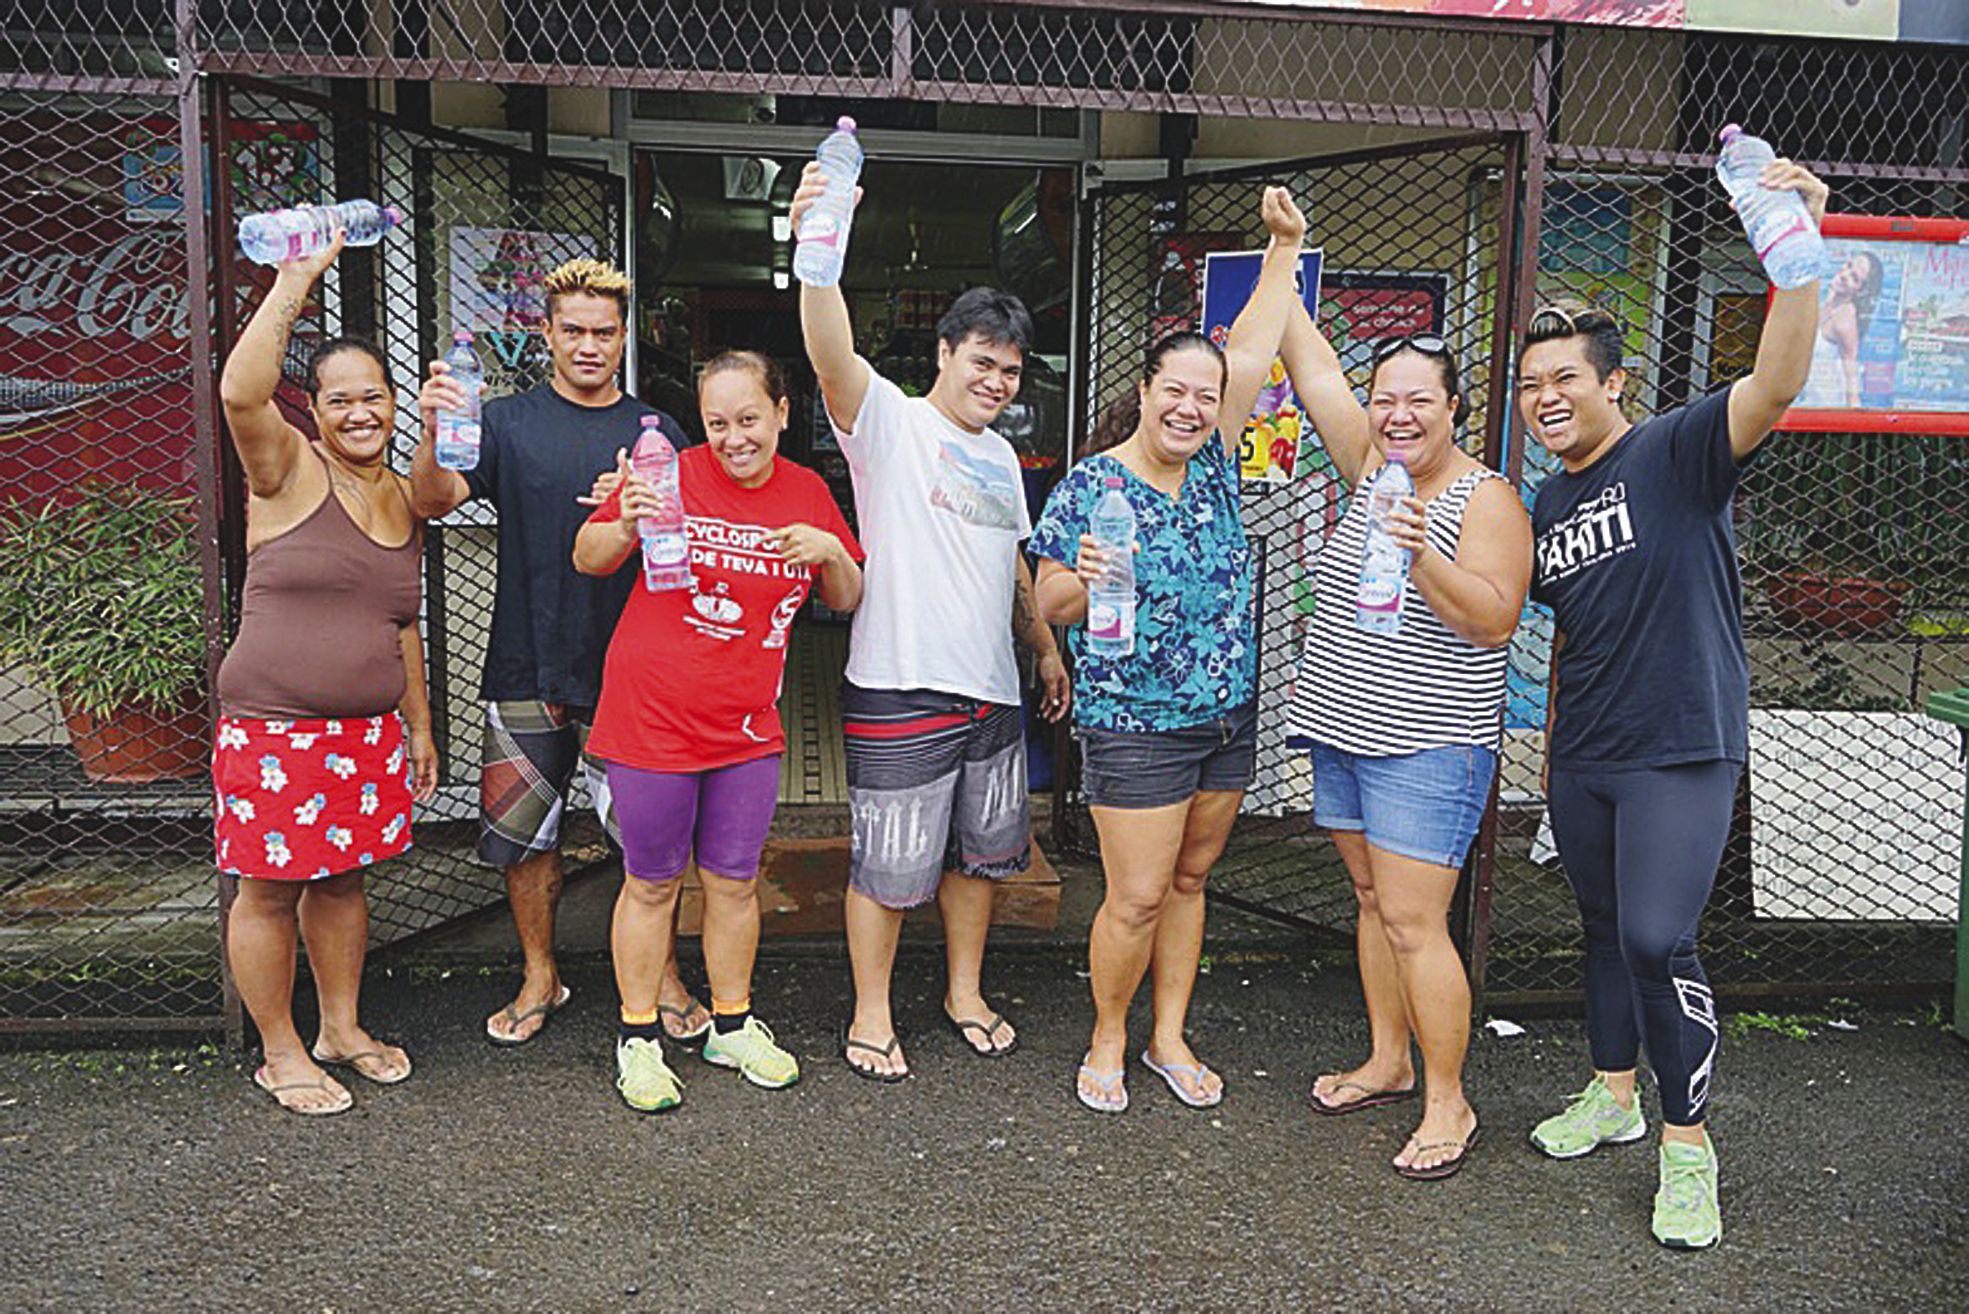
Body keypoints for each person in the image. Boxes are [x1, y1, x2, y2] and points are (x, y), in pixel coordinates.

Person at [1519, 163, 1828, 1249]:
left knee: (1657, 936)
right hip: (1586, 754)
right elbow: (1560, 631)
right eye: (1530, 384)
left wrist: (1796, 258)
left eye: (1565, 377)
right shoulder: (1545, 500)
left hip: (1681, 747)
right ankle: (1612, 1094)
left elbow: (1775, 384)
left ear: (1616, 383)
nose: (1546, 396)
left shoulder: (1677, 451)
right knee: (1602, 933)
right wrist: (1551, 757)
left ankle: (1686, 1147)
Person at [792, 164, 1072, 1082]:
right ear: (945, 353)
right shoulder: (892, 425)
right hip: (900, 681)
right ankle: (870, 1014)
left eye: (1009, 369)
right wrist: (818, 255)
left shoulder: (998, 458)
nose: (994, 380)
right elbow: (830, 355)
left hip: (991, 692)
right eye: (980, 361)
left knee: (983, 858)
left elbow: (1012, 565)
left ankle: (963, 992)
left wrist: (1042, 644)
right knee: (887, 865)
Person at [1030, 187, 1305, 1114]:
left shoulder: (1218, 463)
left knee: (1191, 879)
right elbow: (1052, 601)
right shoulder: (1089, 486)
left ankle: (1167, 1037)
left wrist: (1283, 248)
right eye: (1173, 391)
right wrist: (1089, 573)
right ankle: (1107, 1035)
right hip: (1135, 724)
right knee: (1136, 895)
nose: (1190, 408)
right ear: (1142, 394)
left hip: (1224, 714)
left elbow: (1257, 344)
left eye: (1205, 395)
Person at [411, 258, 713, 1049]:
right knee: (523, 837)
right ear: (545, 333)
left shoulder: (657, 434)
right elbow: (431, 501)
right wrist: (433, 431)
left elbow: (689, 550)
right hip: (525, 659)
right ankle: (539, 973)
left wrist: (633, 509)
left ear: (623, 340)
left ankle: (665, 976)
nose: (588, 346)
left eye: (603, 333)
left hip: (631, 675)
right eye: (572, 330)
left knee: (648, 843)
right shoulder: (502, 423)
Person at [1276, 290, 1530, 1178]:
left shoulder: (1482, 496)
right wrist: (1280, 252)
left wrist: (1422, 553)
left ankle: (1447, 1101)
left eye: (1419, 399)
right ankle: (1387, 1061)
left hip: (1428, 745)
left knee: (1418, 923)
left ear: (1454, 408)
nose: (1397, 414)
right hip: (1341, 733)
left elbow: (1496, 621)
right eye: (1385, 397)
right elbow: (1309, 366)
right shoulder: (1368, 464)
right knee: (1373, 904)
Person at [572, 352, 864, 1111]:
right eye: (716, 422)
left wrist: (830, 549)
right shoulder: (666, 474)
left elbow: (847, 592)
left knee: (734, 883)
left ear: (780, 413)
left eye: (747, 419)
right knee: (651, 882)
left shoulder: (806, 490)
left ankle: (730, 1025)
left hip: (746, 728)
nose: (733, 437)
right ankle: (637, 1039)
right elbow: (589, 557)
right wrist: (628, 518)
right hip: (651, 720)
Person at [214, 232, 438, 1116]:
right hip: (275, 728)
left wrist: (418, 724)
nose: (358, 414)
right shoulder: (285, 467)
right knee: (268, 890)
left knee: (343, 881)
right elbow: (240, 388)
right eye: (339, 400)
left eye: (373, 398)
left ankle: (341, 1027)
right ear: (313, 409)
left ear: (394, 405)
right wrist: (295, 280)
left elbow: (401, 623)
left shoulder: (397, 494)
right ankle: (281, 1051)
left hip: (365, 735)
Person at [1800, 249, 1883, 409]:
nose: (1845, 275)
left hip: (1824, 403)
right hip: (1807, 394)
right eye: (1849, 266)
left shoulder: (1845, 320)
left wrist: (1853, 414)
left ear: (1860, 290)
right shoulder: (1829, 300)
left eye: (1854, 278)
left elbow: (1851, 367)